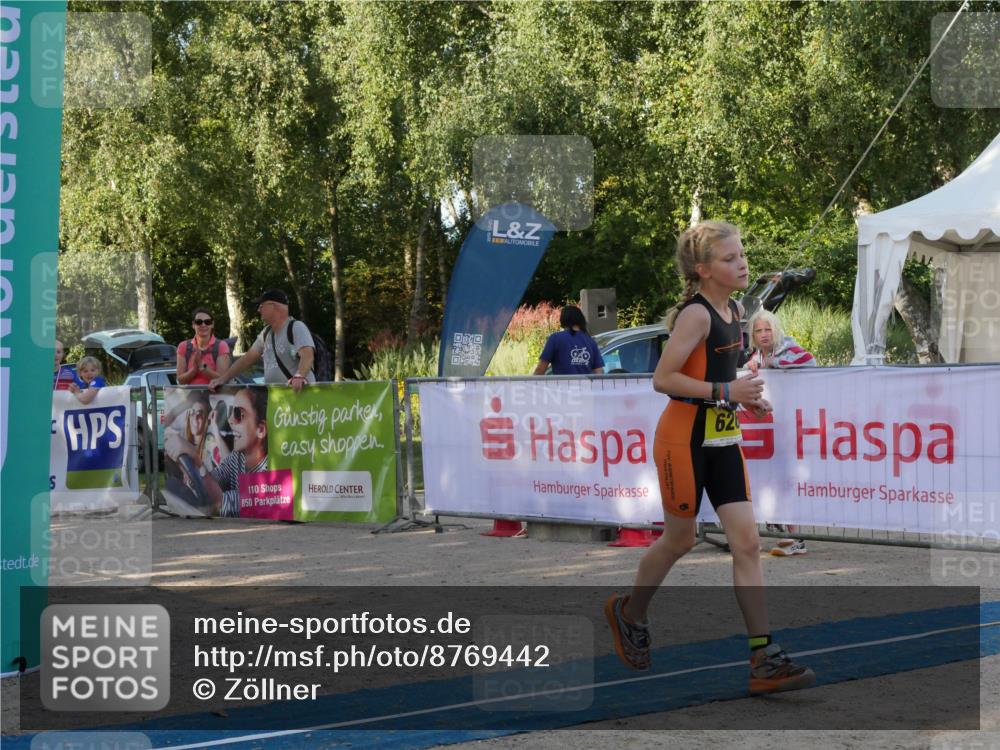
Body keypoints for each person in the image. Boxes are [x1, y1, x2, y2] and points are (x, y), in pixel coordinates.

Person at [604, 220, 815, 695]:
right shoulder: (696, 316)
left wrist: (745, 399)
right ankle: (630, 612)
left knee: (748, 543)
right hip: (682, 442)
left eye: (742, 255)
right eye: (730, 258)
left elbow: (718, 374)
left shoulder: (736, 309)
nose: (742, 264)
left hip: (723, 441)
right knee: (679, 540)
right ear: (703, 270)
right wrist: (726, 391)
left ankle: (763, 657)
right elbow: (663, 379)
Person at [746, 309, 816, 556]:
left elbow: (809, 360)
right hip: (770, 428)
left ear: (776, 330)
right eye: (759, 331)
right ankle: (781, 532)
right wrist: (751, 367)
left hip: (792, 427)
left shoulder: (787, 348)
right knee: (770, 480)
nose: (764, 334)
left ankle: (797, 538)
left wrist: (774, 365)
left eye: (768, 329)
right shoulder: (756, 355)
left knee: (787, 480)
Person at [168, 387, 267, 518]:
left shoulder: (269, 472)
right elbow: (216, 477)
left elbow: (222, 504)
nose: (230, 420)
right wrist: (192, 474)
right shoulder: (238, 457)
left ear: (260, 430)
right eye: (231, 412)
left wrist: (197, 462)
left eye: (239, 414)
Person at [209, 289, 315, 392]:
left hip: (301, 396)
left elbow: (308, 355)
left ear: (273, 306)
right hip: (277, 399)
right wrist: (223, 379)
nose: (259, 310)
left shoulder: (297, 327)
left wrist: (299, 375)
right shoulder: (266, 333)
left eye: (261, 306)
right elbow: (247, 360)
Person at [533, 305, 605, 375]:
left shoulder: (555, 338)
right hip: (586, 383)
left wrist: (532, 382)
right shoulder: (591, 341)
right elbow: (599, 372)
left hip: (562, 383)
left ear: (563, 320)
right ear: (581, 320)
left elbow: (540, 370)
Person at [177, 307, 231, 386]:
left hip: (214, 393)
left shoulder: (221, 346)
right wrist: (194, 369)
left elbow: (222, 379)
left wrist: (202, 366)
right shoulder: (183, 346)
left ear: (212, 324)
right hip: (191, 394)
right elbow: (180, 380)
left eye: (207, 322)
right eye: (199, 322)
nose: (203, 325)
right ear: (193, 325)